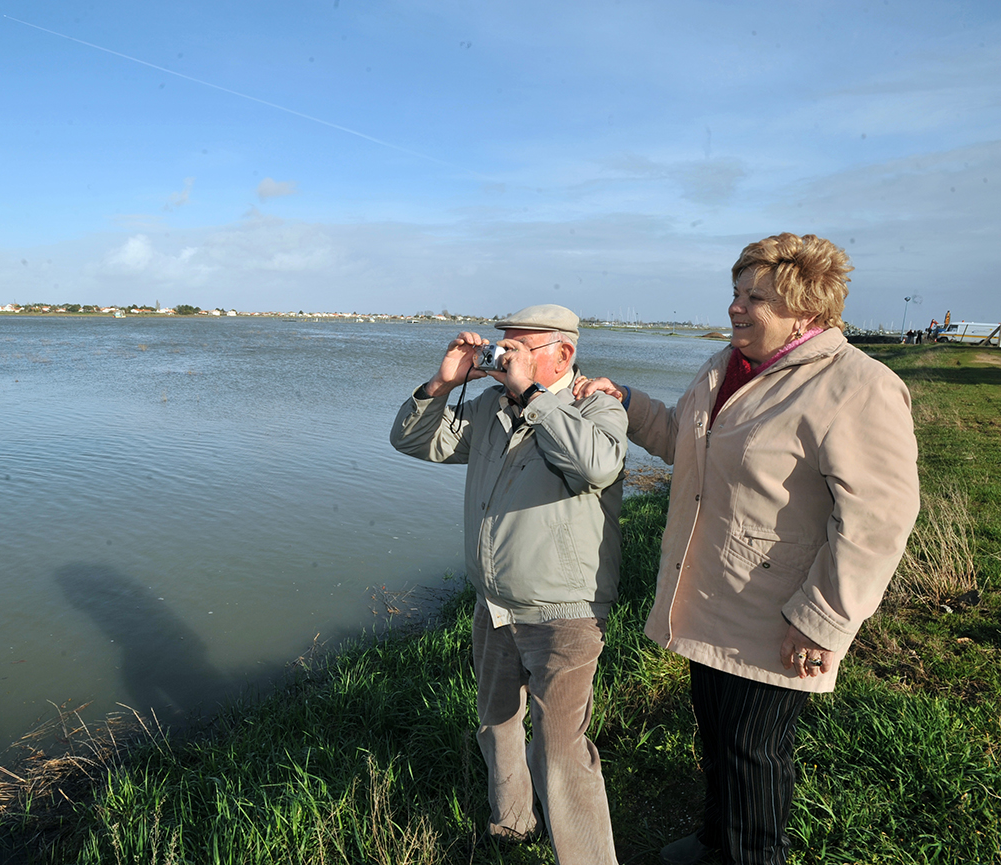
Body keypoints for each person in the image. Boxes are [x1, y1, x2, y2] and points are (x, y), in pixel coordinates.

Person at [576, 233, 919, 865]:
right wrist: (625, 400)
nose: (735, 308)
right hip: (709, 593)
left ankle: (749, 852)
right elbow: (683, 441)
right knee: (717, 732)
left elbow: (878, 521)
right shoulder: (725, 365)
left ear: (806, 310)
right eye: (736, 292)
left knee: (754, 753)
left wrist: (822, 620)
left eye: (755, 297)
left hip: (777, 611)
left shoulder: (856, 387)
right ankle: (715, 839)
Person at [390, 304, 628, 865]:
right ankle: (512, 828)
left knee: (560, 749)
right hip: (494, 604)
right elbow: (414, 441)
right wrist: (442, 384)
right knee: (497, 724)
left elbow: (596, 466)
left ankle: (587, 857)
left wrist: (534, 398)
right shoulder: (491, 406)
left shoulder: (597, 406)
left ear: (563, 354)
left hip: (565, 609)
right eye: (503, 347)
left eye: (520, 349)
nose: (504, 357)